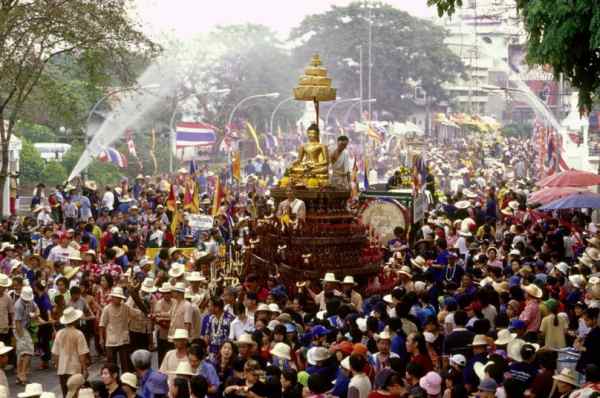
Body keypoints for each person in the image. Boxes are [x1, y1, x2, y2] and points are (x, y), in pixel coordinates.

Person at [51, 307, 90, 397]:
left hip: (62, 369)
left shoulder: (59, 333)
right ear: (75, 320)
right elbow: (82, 354)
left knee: (66, 394)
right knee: (76, 394)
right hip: (75, 369)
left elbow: (55, 353)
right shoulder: (78, 334)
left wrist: (58, 367)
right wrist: (84, 369)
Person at [14, 285, 39, 385]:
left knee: (22, 353)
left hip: (26, 327)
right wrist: (21, 338)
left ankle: (20, 375)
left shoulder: (30, 301)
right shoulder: (18, 305)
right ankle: (22, 374)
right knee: (28, 351)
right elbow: (17, 323)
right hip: (19, 329)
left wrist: (34, 314)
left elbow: (37, 309)